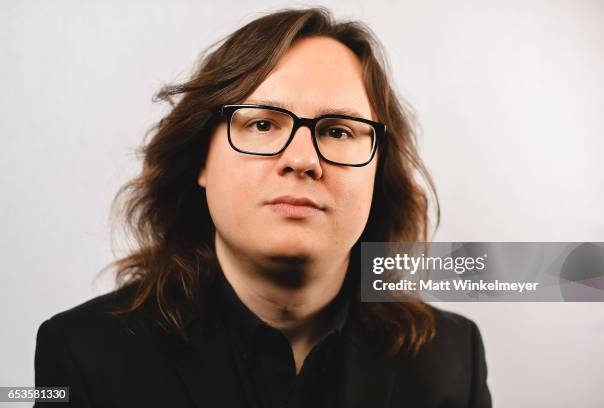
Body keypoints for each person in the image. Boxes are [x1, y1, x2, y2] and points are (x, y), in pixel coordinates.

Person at [34, 7, 492, 407]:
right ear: (201, 161)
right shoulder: (82, 355)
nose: (302, 160)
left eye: (338, 131)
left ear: (378, 173)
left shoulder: (454, 357)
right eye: (261, 124)